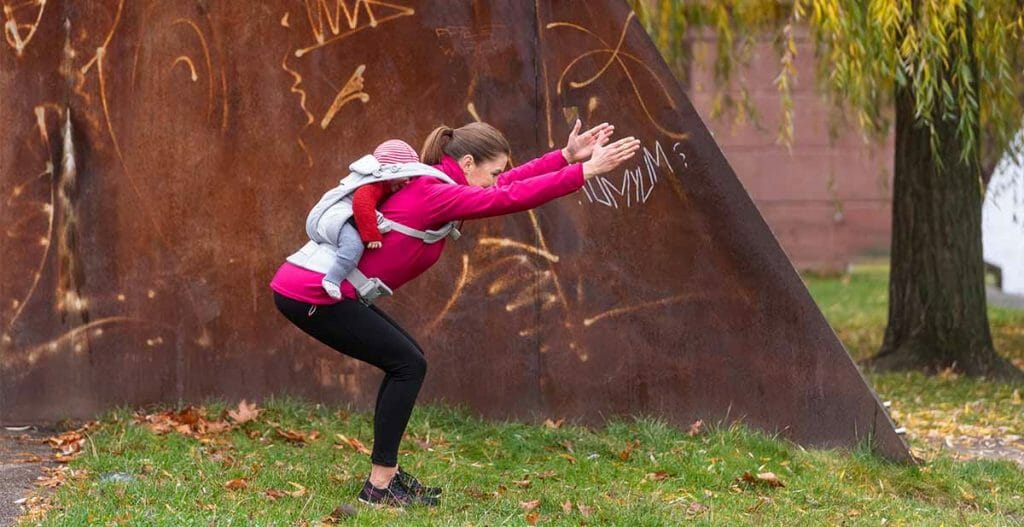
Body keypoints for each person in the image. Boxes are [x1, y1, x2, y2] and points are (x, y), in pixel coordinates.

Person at [269, 120, 640, 508]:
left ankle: (387, 479)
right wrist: (586, 171)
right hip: (311, 293)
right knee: (407, 365)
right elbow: (509, 197)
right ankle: (378, 489)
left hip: (315, 289)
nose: (494, 180)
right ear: (466, 163)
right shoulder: (434, 193)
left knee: (408, 361)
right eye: (491, 172)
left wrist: (564, 157)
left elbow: (508, 183)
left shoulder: (439, 184)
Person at [318, 140, 419, 299]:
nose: (407, 181)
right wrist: (371, 235)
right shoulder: (373, 184)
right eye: (405, 175)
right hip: (338, 218)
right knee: (353, 247)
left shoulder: (386, 185)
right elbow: (361, 203)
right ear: (389, 170)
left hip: (349, 218)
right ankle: (332, 279)